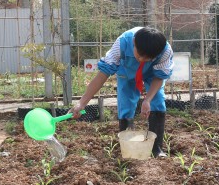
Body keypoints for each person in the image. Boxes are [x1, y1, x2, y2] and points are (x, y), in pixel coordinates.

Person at [71, 26, 174, 158]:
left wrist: (147, 100)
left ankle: (156, 149)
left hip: (152, 73)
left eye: (148, 58)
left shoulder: (165, 51)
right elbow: (103, 74)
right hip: (127, 71)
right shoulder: (122, 43)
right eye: (139, 55)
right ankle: (128, 149)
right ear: (134, 42)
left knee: (157, 100)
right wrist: (82, 103)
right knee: (126, 104)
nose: (142, 60)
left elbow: (159, 77)